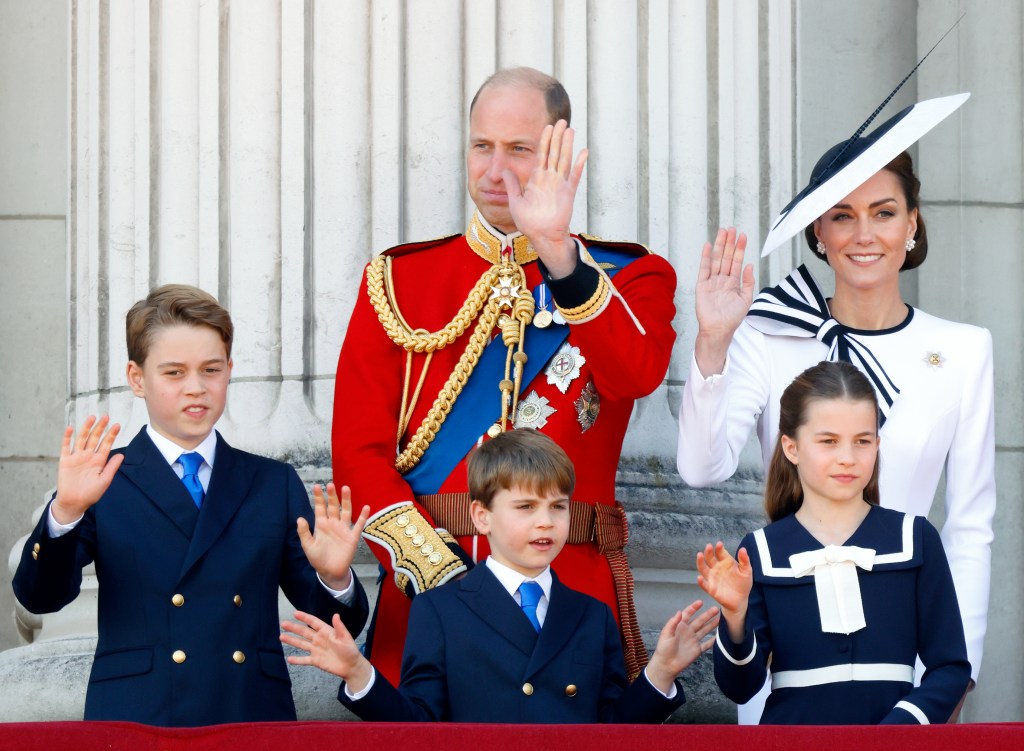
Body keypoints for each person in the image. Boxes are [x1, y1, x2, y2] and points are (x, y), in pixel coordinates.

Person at [333, 67, 676, 683]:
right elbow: (358, 454)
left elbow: (635, 374)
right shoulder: (397, 281)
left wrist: (559, 257)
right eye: (481, 146)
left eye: (518, 150)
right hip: (428, 597)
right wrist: (438, 578)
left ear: (559, 153)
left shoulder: (628, 277)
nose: (494, 171)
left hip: (567, 591)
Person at [676, 95, 993, 720]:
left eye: (884, 212)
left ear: (913, 224)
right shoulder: (767, 336)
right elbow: (700, 468)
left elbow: (970, 528)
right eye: (842, 216)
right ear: (818, 232)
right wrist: (714, 339)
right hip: (786, 653)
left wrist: (957, 677)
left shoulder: (962, 350)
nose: (864, 234)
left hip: (911, 663)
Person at [12, 284, 370, 727]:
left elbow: (336, 626)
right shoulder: (103, 480)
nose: (196, 388)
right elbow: (40, 597)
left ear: (228, 371)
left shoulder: (271, 483)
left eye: (211, 370)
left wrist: (335, 578)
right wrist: (65, 512)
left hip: (248, 714)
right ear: (137, 378)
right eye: (174, 373)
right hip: (139, 718)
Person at [283, 430, 718, 723]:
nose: (545, 522)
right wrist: (360, 674)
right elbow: (419, 727)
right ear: (482, 516)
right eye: (526, 508)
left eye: (558, 507)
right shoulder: (440, 609)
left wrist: (659, 672)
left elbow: (610, 733)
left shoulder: (591, 614)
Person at [696, 361, 970, 724]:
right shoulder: (761, 551)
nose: (848, 458)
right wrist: (735, 616)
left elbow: (950, 668)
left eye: (862, 441)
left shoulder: (916, 539)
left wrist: (896, 733)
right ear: (791, 448)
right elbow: (740, 688)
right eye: (828, 441)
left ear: (877, 443)